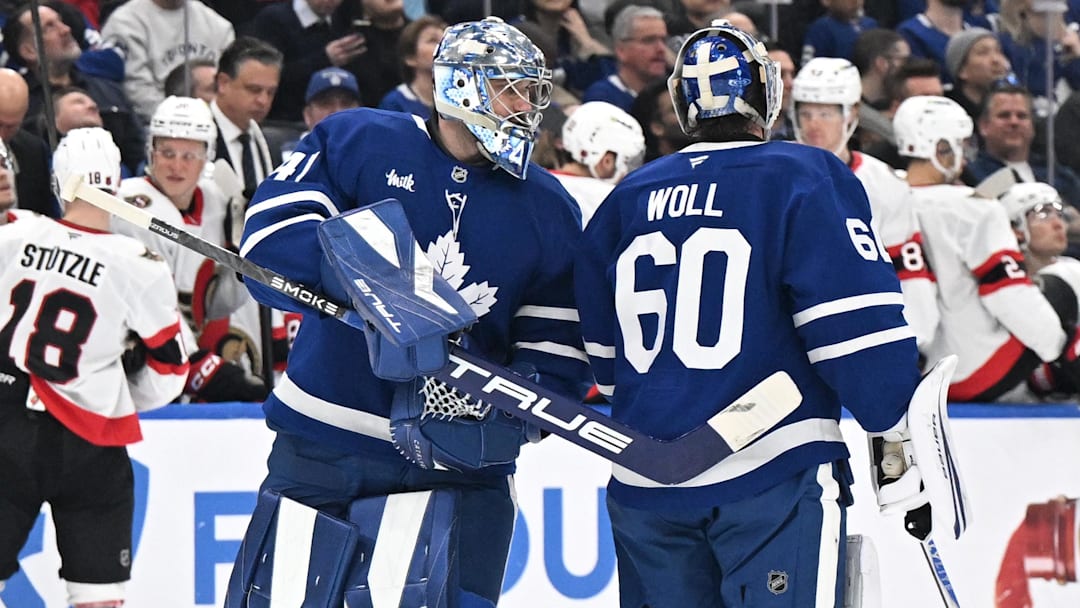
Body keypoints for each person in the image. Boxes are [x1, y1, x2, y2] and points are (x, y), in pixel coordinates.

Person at [226, 17, 589, 608]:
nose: (525, 105)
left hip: (461, 465)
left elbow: (555, 345)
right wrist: (376, 286)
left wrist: (511, 410)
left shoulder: (548, 206)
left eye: (530, 89)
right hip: (325, 442)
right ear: (463, 86)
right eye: (509, 87)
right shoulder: (357, 139)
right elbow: (268, 243)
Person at [574, 20, 930, 607]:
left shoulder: (628, 196)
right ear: (765, 95)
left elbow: (605, 358)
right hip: (767, 470)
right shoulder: (803, 174)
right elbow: (855, 330)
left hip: (643, 480)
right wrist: (894, 429)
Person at [0, 127, 188, 608]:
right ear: (118, 185)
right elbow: (171, 371)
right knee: (98, 598)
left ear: (59, 180)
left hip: (7, 429)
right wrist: (120, 395)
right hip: (91, 444)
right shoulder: (139, 264)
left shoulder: (14, 232)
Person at [897, 95, 1074, 401]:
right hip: (977, 371)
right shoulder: (973, 207)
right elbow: (1009, 296)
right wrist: (1057, 348)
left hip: (917, 374)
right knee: (1070, 276)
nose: (964, 156)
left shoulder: (884, 197)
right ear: (941, 147)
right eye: (961, 145)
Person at [112, 96, 266, 402]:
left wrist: (241, 255)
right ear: (151, 151)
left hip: (184, 352)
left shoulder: (217, 202)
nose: (177, 166)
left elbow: (216, 305)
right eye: (167, 153)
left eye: (189, 155)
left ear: (207, 157)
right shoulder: (131, 206)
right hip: (135, 356)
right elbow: (149, 307)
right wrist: (201, 367)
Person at [792, 56, 939, 351]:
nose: (813, 125)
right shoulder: (775, 173)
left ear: (852, 114)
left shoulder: (884, 183)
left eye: (825, 113)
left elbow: (909, 269)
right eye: (805, 113)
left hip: (861, 329)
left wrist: (913, 341)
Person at [3, 3, 145, 175]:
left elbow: (139, 156)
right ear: (29, 51)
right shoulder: (21, 106)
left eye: (60, 21)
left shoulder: (108, 90)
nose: (66, 30)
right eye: (49, 27)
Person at [101, 0, 235, 124]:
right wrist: (181, 122)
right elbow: (137, 92)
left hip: (214, 124)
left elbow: (229, 88)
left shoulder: (219, 26)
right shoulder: (124, 23)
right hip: (153, 125)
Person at [554, 100, 645, 225]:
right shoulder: (614, 201)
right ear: (606, 161)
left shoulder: (534, 182)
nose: (627, 171)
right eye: (628, 162)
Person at [582, 4, 669, 112]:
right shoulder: (601, 99)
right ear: (621, 50)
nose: (661, 49)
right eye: (649, 40)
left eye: (664, 40)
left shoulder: (672, 93)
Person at [378, 14, 447, 119]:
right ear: (410, 58)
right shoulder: (395, 103)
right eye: (432, 40)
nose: (443, 45)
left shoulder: (459, 98)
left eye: (445, 40)